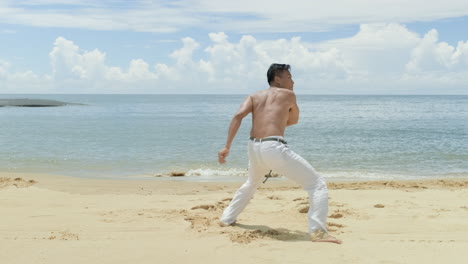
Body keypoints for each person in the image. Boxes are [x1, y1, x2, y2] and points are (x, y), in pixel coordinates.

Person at [217, 63, 342, 244]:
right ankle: (318, 233)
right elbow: (294, 120)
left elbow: (237, 116)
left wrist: (227, 146)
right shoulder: (288, 95)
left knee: (251, 182)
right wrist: (284, 113)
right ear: (277, 78)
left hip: (253, 147)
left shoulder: (253, 96)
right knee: (317, 184)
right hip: (273, 147)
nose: (293, 81)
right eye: (289, 77)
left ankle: (227, 218)